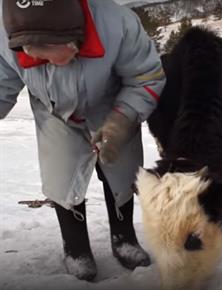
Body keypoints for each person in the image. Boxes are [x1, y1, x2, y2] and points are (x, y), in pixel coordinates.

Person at [0, 0, 165, 281]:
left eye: (57, 54)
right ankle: (76, 249)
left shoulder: (118, 24)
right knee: (62, 174)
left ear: (77, 33)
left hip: (113, 104)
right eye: (40, 58)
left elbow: (146, 77)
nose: (52, 64)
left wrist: (121, 122)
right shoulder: (4, 36)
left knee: (122, 171)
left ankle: (124, 238)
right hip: (53, 111)